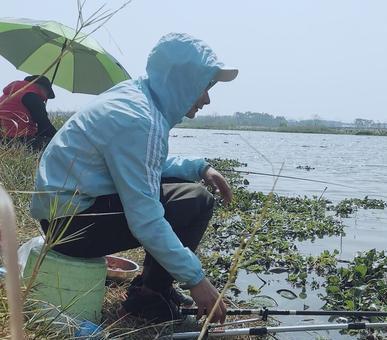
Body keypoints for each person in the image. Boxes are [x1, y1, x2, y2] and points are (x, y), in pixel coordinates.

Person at [30, 33, 238, 323]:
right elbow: (146, 220)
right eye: (204, 86)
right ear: (183, 82)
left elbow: (143, 164)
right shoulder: (141, 121)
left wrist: (199, 168)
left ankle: (154, 288)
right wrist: (197, 280)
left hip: (64, 214)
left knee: (187, 193)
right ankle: (149, 298)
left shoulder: (135, 96)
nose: (207, 98)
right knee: (195, 200)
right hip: (69, 228)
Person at [0, 75, 57, 149]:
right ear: (42, 88)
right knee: (56, 147)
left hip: (2, 141)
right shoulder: (32, 97)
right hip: (19, 141)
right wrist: (60, 137)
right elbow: (45, 128)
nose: (46, 98)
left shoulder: (8, 95)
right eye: (47, 94)